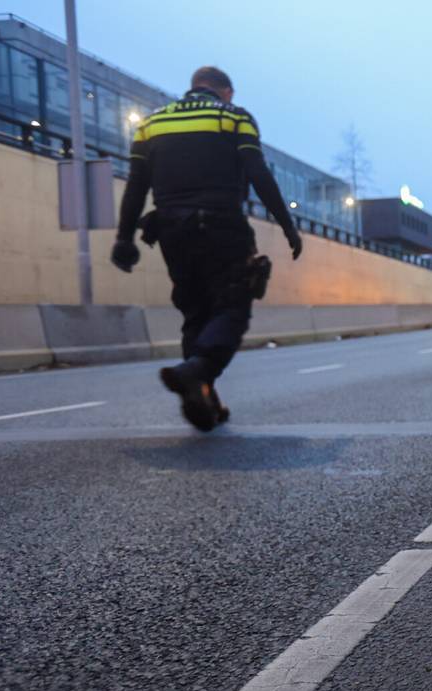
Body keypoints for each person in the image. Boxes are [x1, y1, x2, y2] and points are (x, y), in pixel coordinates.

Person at [112, 66, 302, 431]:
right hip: (221, 225)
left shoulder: (152, 123)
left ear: (193, 87)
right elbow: (259, 173)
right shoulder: (234, 117)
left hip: (171, 230)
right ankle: (197, 371)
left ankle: (203, 394)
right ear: (226, 91)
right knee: (232, 305)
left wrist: (124, 238)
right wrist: (287, 224)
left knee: (195, 312)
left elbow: (136, 186)